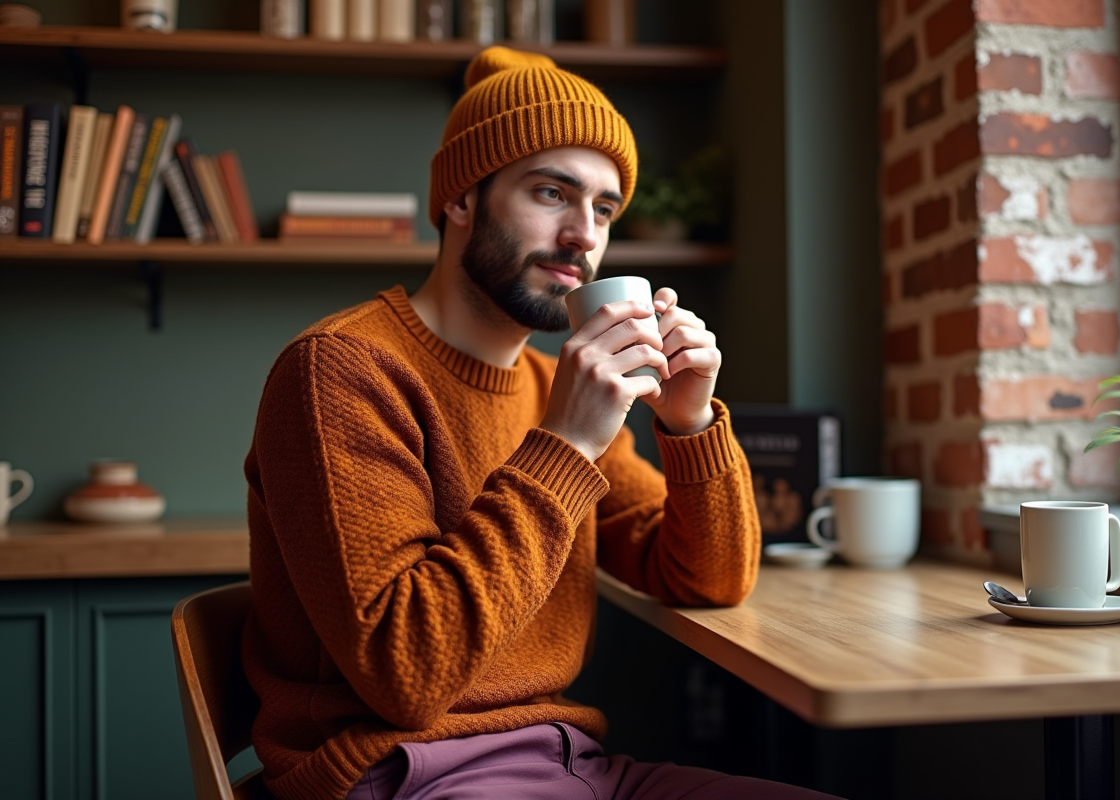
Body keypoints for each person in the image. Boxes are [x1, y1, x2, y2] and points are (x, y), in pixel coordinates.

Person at [243, 46, 837, 800]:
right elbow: (406, 675)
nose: (584, 235)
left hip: (569, 766)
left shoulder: (547, 386)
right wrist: (566, 445)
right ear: (461, 198)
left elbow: (709, 581)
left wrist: (688, 427)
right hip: (398, 772)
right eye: (552, 193)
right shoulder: (341, 369)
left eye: (604, 208)